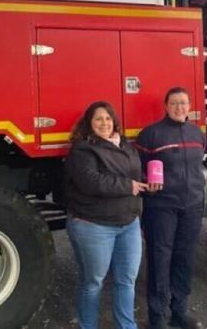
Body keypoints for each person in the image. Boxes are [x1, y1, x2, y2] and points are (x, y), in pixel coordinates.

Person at [64, 101, 149, 329]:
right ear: (89, 124)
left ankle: (126, 326)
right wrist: (129, 186)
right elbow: (90, 182)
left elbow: (135, 174)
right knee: (93, 282)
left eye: (108, 118)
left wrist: (148, 183)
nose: (104, 123)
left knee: (126, 281)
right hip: (94, 225)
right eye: (98, 119)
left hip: (128, 223)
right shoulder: (83, 149)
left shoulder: (126, 146)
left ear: (115, 122)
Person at [135, 87, 206, 329]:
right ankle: (157, 317)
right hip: (161, 207)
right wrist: (147, 181)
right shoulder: (151, 135)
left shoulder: (197, 133)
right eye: (174, 103)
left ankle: (179, 311)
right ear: (165, 106)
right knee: (160, 259)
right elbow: (136, 169)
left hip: (192, 206)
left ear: (189, 106)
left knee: (184, 258)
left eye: (184, 103)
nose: (179, 108)